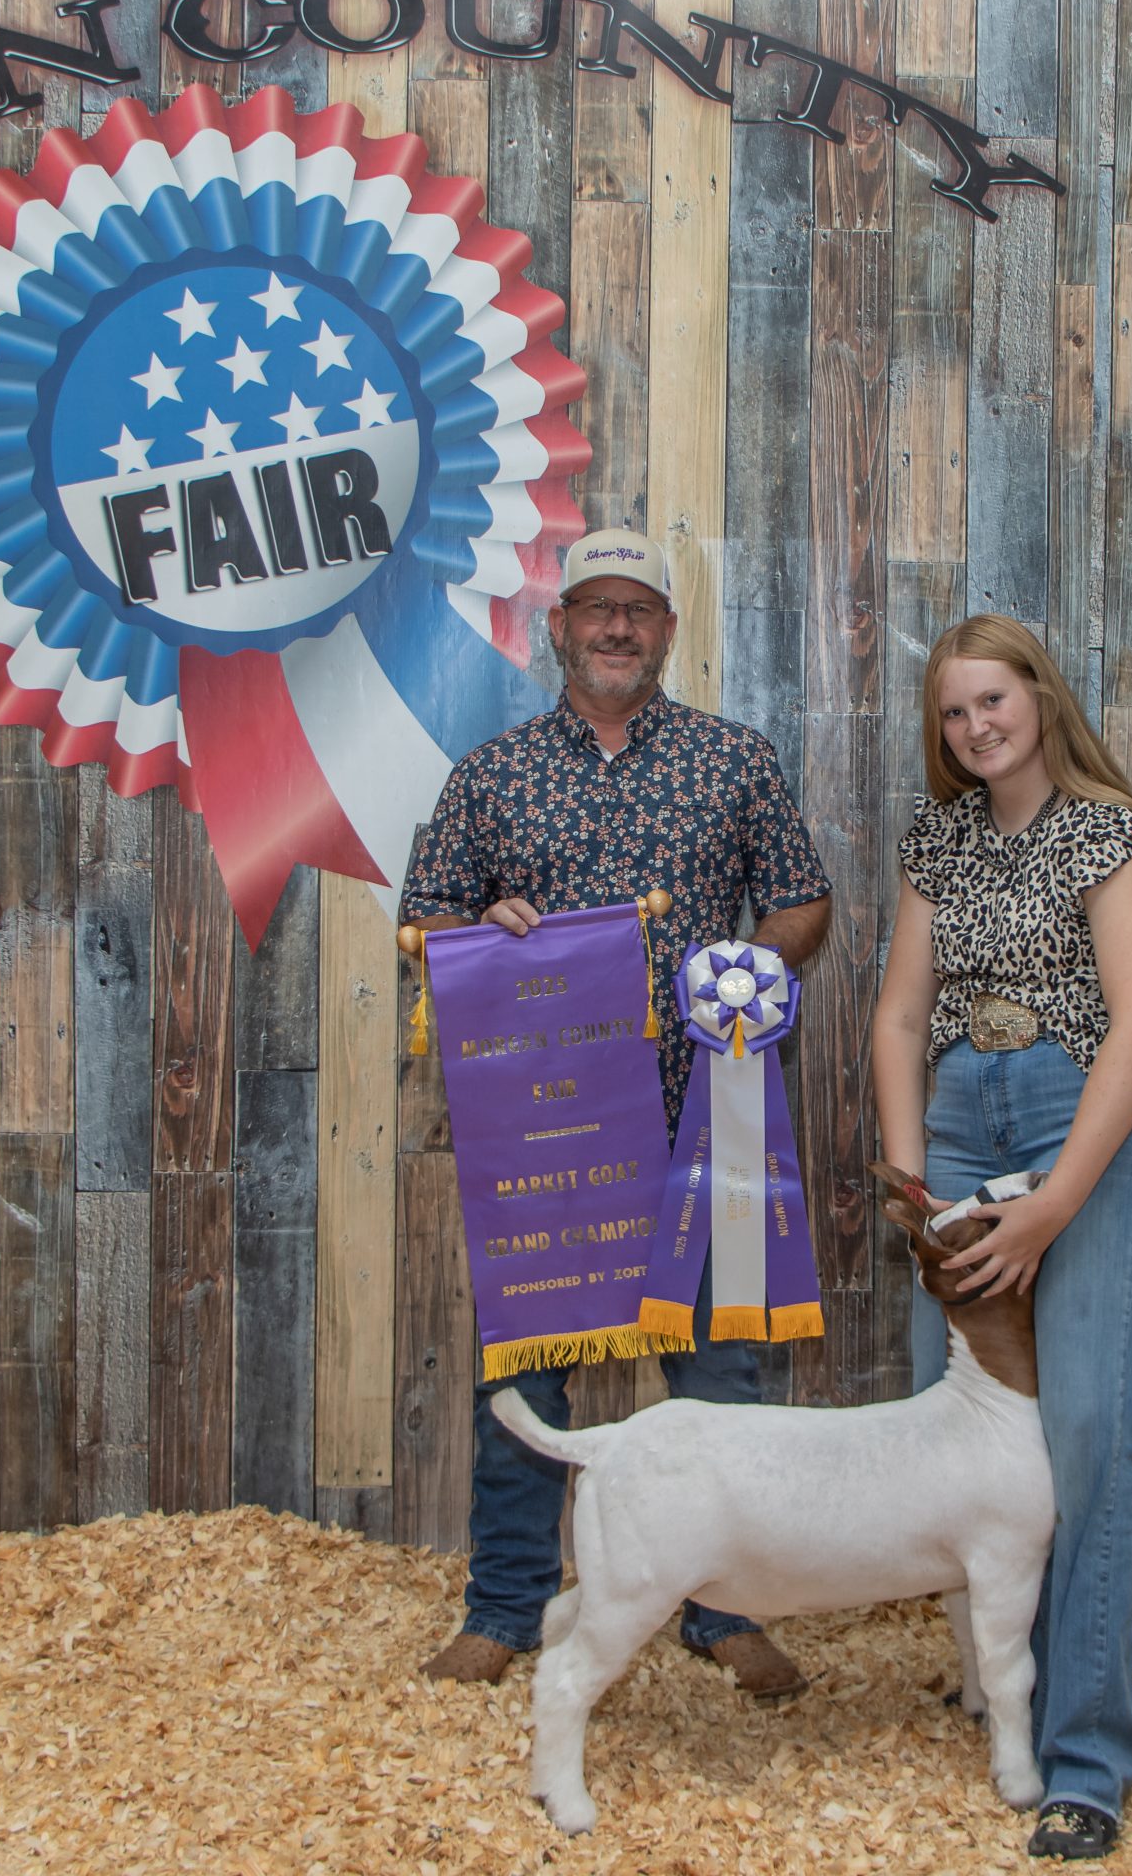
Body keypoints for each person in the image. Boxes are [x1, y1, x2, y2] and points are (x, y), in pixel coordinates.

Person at [402, 527, 834, 1700]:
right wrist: (475, 931)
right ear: (559, 625)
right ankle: (504, 1605)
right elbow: (424, 915)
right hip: (551, 1136)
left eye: (637, 611)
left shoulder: (734, 764)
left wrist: (749, 965)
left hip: (709, 1117)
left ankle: (721, 1607)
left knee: (722, 1386)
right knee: (526, 1382)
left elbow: (804, 902)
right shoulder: (490, 775)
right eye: (595, 607)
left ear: (668, 632)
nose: (615, 628)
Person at [868, 613, 1132, 1862]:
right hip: (956, 1117)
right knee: (945, 1415)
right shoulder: (939, 838)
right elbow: (897, 1016)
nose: (973, 725)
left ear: (1040, 699)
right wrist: (910, 1179)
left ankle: (1087, 1753)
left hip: (1082, 1120)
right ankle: (999, 1685)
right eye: (952, 711)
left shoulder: (1110, 830)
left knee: (1088, 1428)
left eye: (991, 699)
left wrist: (1054, 1202)